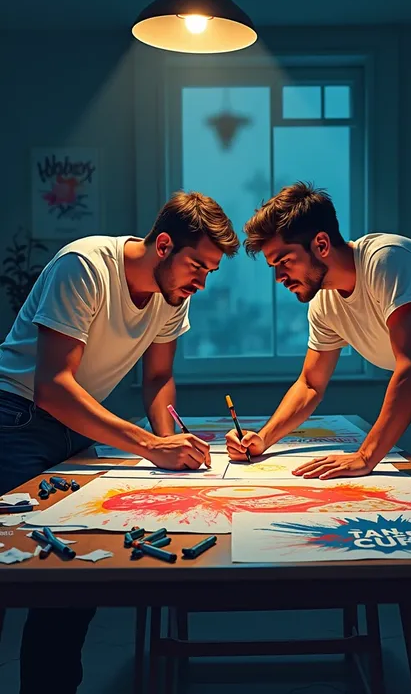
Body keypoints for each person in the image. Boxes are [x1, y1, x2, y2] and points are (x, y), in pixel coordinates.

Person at [226, 182, 411, 694]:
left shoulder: (386, 260)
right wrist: (262, 440)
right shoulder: (324, 306)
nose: (278, 276)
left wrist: (366, 456)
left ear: (320, 245)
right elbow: (311, 383)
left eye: (283, 260)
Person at [0, 190, 239, 694]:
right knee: (13, 571)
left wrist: (172, 438)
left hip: (73, 425)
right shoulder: (85, 267)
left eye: (210, 272)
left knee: (71, 581)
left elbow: (157, 381)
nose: (201, 282)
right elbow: (52, 386)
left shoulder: (173, 296)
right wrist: (149, 448)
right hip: (16, 415)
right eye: (197, 266)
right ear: (164, 244)